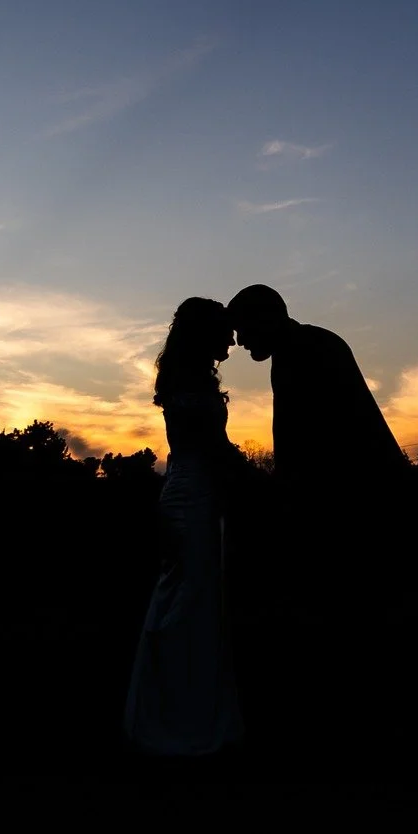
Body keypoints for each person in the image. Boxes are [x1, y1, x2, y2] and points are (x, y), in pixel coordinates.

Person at [226, 284, 405, 611]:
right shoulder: (302, 346)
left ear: (266, 319)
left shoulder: (306, 350)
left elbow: (317, 439)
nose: (239, 341)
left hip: (354, 503)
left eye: (243, 329)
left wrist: (292, 498)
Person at [123, 297, 245, 756]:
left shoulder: (191, 377)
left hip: (198, 494)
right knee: (186, 600)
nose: (232, 341)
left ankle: (186, 710)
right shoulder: (188, 381)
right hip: (189, 498)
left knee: (194, 599)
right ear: (204, 333)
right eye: (224, 332)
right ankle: (176, 719)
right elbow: (210, 445)